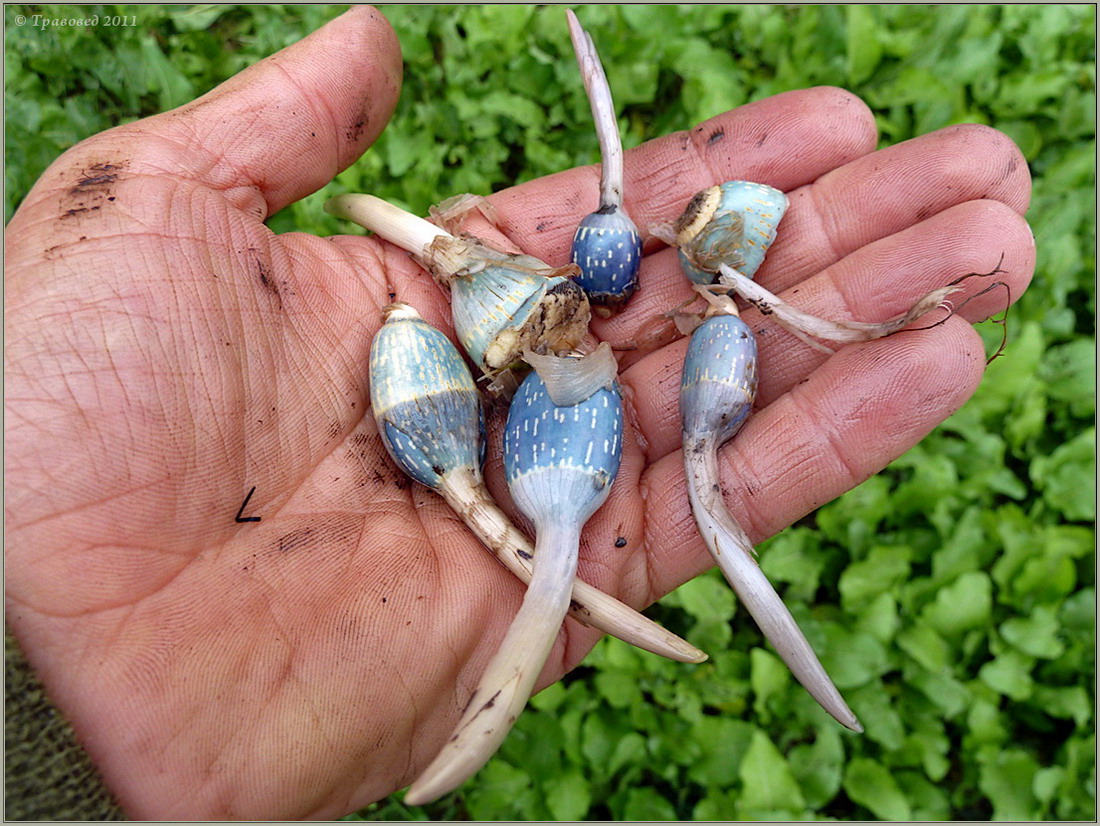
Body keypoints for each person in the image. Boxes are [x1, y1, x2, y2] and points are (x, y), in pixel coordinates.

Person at [4, 6, 1035, 821]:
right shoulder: (505, 339)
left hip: (524, 405)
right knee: (571, 517)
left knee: (606, 499)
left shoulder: (594, 301)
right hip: (486, 405)